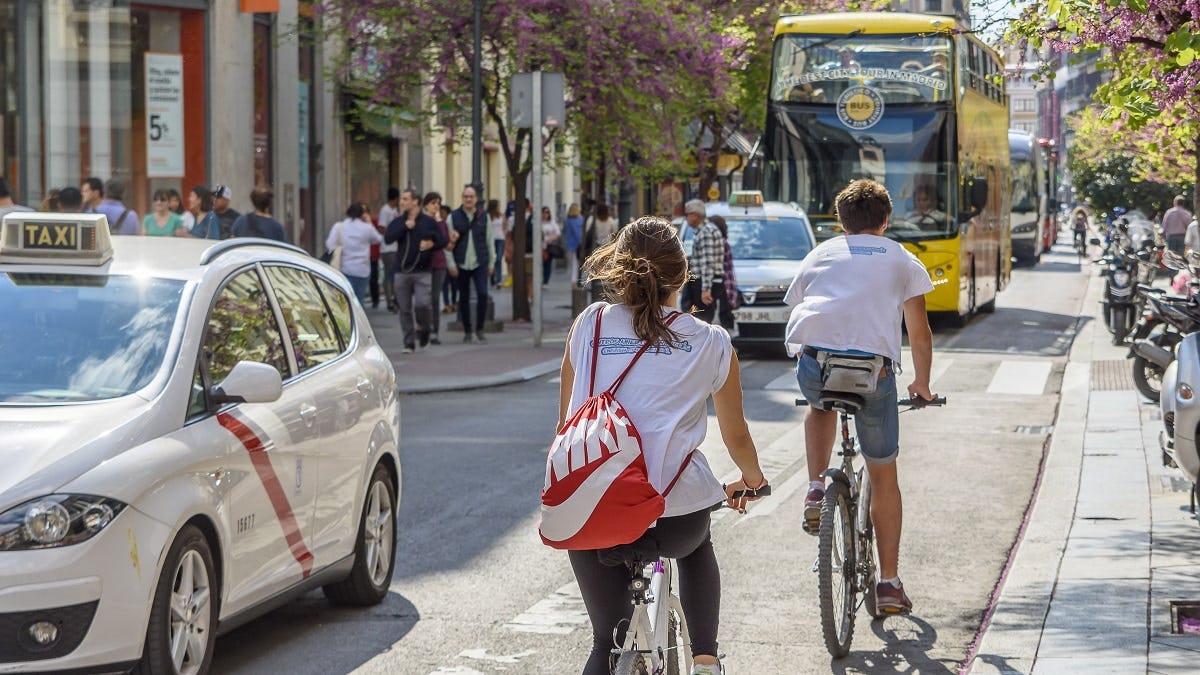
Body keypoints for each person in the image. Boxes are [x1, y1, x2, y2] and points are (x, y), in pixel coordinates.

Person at [560, 216, 767, 675]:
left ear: (618, 270)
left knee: (604, 645)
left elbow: (568, 429)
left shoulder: (588, 327)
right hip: (673, 518)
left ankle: (610, 656)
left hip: (591, 513)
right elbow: (737, 436)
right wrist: (752, 481)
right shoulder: (710, 341)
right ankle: (707, 659)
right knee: (697, 546)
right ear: (683, 274)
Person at [785, 178, 935, 615]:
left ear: (842, 223)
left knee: (818, 405)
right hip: (873, 374)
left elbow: (801, 304)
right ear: (886, 221)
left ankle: (816, 489)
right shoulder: (902, 259)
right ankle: (888, 584)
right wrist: (922, 384)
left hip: (817, 366)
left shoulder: (820, 252)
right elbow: (919, 332)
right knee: (883, 473)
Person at [386, 188, 444, 353]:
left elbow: (441, 240)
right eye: (402, 199)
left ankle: (424, 330)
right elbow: (388, 238)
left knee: (423, 304)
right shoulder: (399, 221)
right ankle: (409, 342)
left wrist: (431, 244)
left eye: (405, 199)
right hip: (401, 271)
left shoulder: (428, 222)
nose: (402, 202)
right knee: (404, 309)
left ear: (415, 202)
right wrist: (404, 227)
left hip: (423, 271)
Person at [450, 184, 494, 344]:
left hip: (480, 261)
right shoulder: (454, 216)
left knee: (483, 294)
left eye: (471, 197)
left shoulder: (484, 216)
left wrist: (491, 263)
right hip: (460, 263)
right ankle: (468, 330)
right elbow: (448, 243)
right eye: (466, 196)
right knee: (464, 297)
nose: (468, 199)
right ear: (462, 198)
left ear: (476, 199)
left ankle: (480, 328)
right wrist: (451, 264)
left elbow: (490, 241)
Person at [327, 202, 383, 304]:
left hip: (344, 268)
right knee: (359, 300)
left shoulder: (339, 226)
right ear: (362, 214)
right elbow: (378, 239)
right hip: (363, 269)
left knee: (346, 300)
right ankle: (359, 319)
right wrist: (369, 222)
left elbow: (330, 244)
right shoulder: (367, 228)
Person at [680, 199, 724, 323]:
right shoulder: (704, 231)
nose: (686, 218)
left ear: (696, 215)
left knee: (702, 321)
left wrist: (705, 290)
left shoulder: (706, 232)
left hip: (704, 284)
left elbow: (708, 263)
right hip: (702, 282)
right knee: (698, 320)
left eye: (687, 214)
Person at [426, 193, 456, 345]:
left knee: (435, 298)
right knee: (423, 300)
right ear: (426, 205)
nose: (436, 206)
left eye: (438, 203)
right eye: (433, 203)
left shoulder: (442, 223)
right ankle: (424, 328)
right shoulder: (421, 221)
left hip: (439, 264)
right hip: (423, 265)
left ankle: (434, 332)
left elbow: (445, 241)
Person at [708, 215, 738, 332]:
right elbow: (730, 272)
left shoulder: (717, 244)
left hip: (719, 289)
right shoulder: (725, 243)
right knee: (725, 328)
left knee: (716, 326)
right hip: (726, 289)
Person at [378, 188, 402, 312]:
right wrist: (392, 234)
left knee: (396, 274)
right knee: (389, 275)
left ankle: (395, 298)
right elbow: (381, 227)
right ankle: (389, 300)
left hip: (396, 247)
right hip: (388, 248)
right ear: (396, 198)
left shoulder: (395, 210)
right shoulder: (385, 210)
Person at [438, 203, 458, 317]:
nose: (442, 214)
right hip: (443, 258)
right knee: (445, 283)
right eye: (440, 213)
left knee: (454, 283)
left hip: (451, 257)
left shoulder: (451, 225)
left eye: (443, 213)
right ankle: (446, 303)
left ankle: (454, 301)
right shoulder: (439, 225)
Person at [540, 205, 562, 286]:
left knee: (547, 264)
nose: (546, 214)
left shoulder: (552, 222)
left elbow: (558, 233)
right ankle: (540, 279)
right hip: (539, 246)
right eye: (544, 212)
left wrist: (551, 238)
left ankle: (545, 280)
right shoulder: (538, 222)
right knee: (540, 264)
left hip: (548, 246)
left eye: (547, 212)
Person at [564, 202, 584, 286]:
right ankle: (579, 280)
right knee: (580, 263)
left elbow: (564, 231)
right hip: (578, 244)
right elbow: (578, 233)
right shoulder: (580, 219)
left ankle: (573, 280)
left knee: (573, 264)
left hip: (570, 244)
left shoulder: (567, 220)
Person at [488, 198, 506, 287]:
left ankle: (498, 279)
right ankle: (492, 277)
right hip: (491, 239)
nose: (499, 207)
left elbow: (504, 227)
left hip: (500, 239)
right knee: (492, 258)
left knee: (498, 259)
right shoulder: (487, 216)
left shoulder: (501, 216)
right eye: (498, 205)